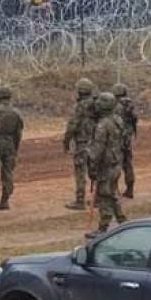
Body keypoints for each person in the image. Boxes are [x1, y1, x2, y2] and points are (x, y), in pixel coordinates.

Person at [85, 92, 127, 238]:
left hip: (106, 164)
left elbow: (97, 149)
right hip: (116, 161)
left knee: (104, 195)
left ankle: (103, 228)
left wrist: (92, 166)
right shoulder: (117, 120)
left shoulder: (103, 124)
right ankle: (122, 221)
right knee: (111, 192)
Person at [62, 78, 97, 209]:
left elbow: (73, 124)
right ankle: (98, 198)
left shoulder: (80, 106)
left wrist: (66, 141)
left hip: (82, 143)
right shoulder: (96, 104)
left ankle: (80, 200)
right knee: (96, 170)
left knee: (80, 172)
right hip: (95, 142)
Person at [112, 83, 138, 199]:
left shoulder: (116, 106)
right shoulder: (130, 105)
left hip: (118, 139)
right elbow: (135, 120)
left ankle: (113, 190)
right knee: (128, 165)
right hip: (128, 138)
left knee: (115, 164)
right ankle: (130, 189)